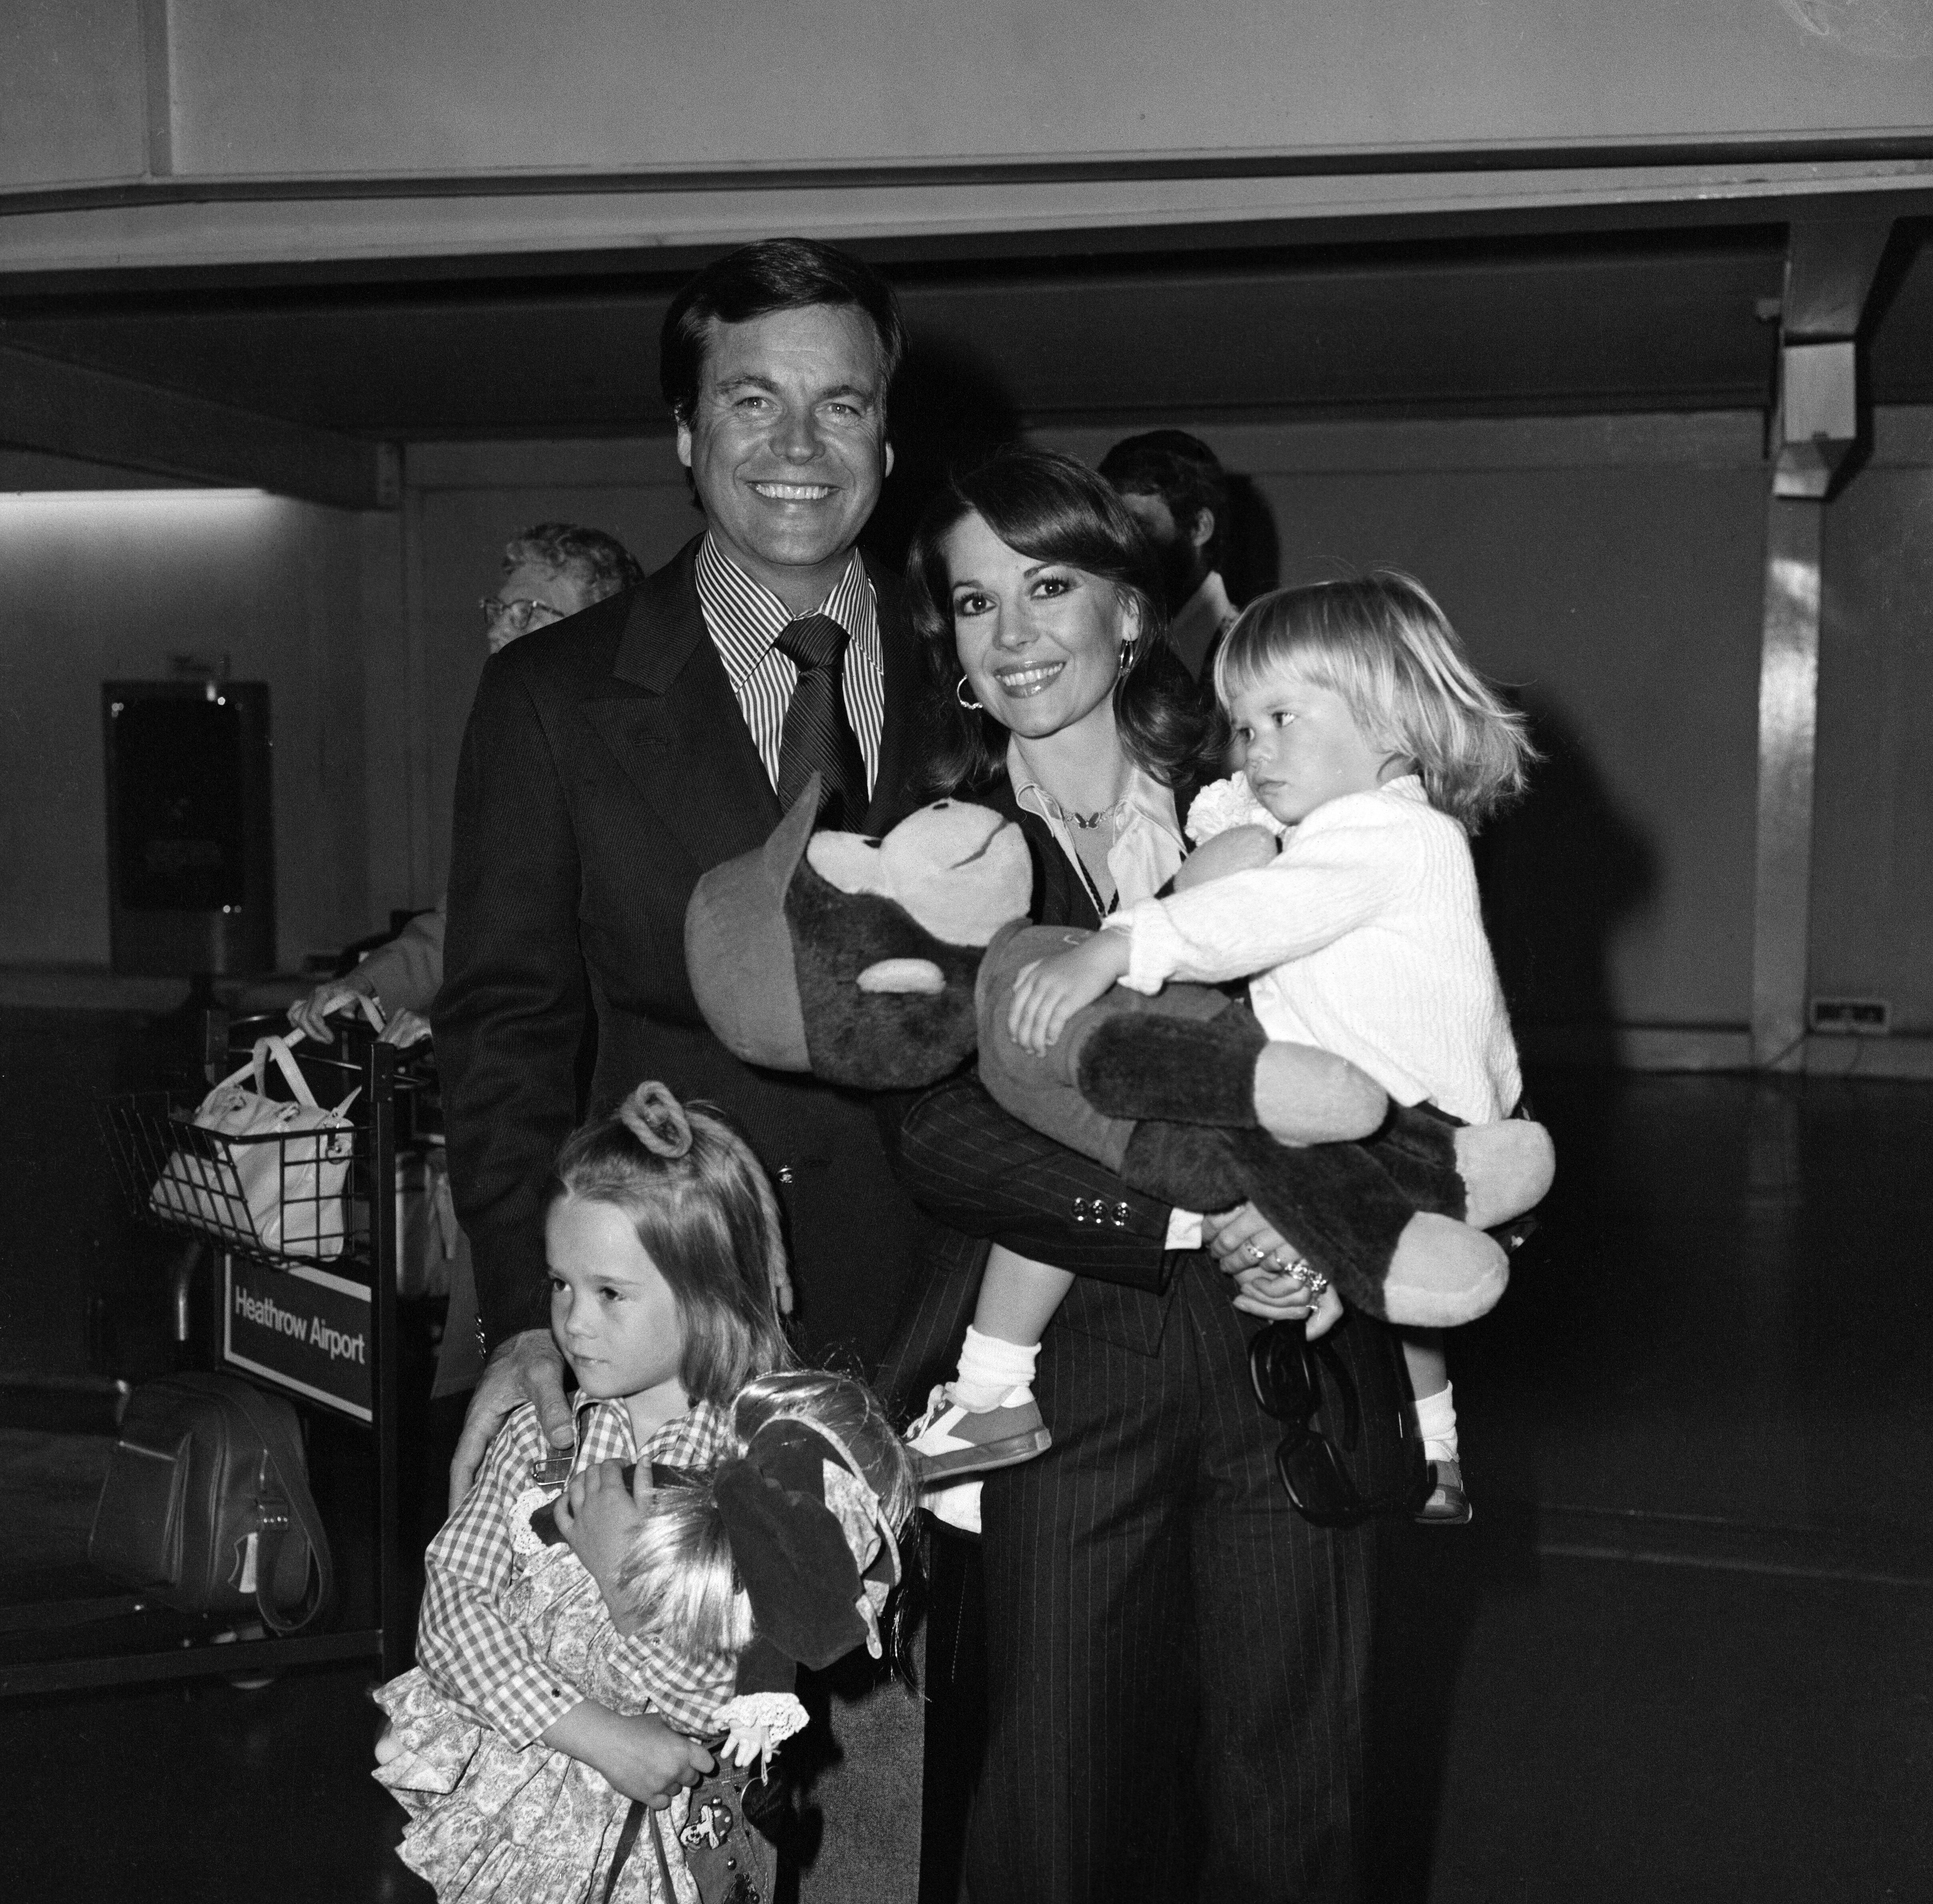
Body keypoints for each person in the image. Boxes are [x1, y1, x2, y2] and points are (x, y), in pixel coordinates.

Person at [878, 446, 1398, 1902]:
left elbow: (1395, 1051)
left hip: (1278, 1349)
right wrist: (1202, 1199)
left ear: (1129, 607)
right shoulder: (934, 846)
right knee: (1052, 1796)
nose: (1017, 629)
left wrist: (1325, 1221)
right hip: (1063, 1369)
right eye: (976, 602)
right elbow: (930, 1131)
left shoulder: (1279, 791)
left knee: (1293, 1787)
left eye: (1049, 584)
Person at [944, 571, 1535, 1526]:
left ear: (1390, 721)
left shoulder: (1386, 835)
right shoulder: (1373, 830)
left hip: (1373, 1133)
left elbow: (1258, 912)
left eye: (1283, 719)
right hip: (1392, 1137)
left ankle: (986, 1395)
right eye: (1244, 727)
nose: (1256, 750)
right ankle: (1432, 1443)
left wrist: (1119, 944)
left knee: (1108, 1097)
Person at [372, 1080, 913, 1902]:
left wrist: (625, 1575)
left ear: (709, 1293)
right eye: (560, 1285)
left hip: (683, 1842)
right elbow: (451, 1607)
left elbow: (726, 1688)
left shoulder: (761, 1471)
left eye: (609, 1294)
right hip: (531, 1814)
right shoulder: (542, 1436)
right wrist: (590, 1733)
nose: (573, 1323)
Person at [289, 524, 645, 1050]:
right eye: (498, 610)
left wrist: (473, 1023)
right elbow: (474, 917)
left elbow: (626, 952)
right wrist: (366, 985)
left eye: (530, 612)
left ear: (602, 633)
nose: (500, 631)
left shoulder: (636, 757)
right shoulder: (518, 742)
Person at [1098, 428, 1241, 681]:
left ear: (1199, 528)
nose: (1118, 545)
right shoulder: (1122, 644)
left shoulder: (1243, 654)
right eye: (1111, 528)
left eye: (1137, 527)